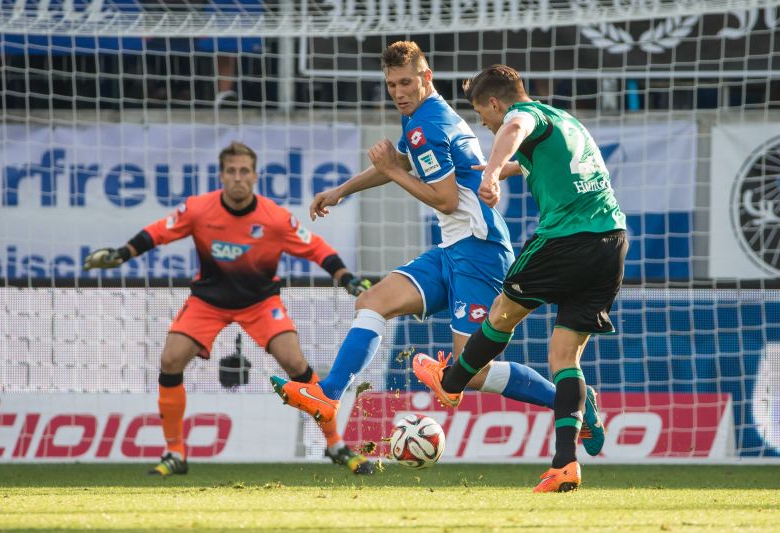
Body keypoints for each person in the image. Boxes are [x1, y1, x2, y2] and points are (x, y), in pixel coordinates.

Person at [269, 42, 605, 458]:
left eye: (406, 82)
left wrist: (392, 172)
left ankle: (572, 402)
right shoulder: (424, 116)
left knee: (473, 372)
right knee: (372, 302)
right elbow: (401, 163)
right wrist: (343, 190)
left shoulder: (426, 126)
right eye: (391, 84)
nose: (398, 92)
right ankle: (329, 394)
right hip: (452, 248)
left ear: (426, 77)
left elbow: (444, 200)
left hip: (480, 251)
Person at [83, 141, 374, 476]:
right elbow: (159, 232)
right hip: (208, 301)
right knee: (170, 360)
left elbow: (316, 249)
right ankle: (175, 452)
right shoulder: (198, 209)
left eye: (244, 171)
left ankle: (335, 444)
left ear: (255, 176)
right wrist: (121, 254)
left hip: (260, 302)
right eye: (231, 171)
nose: (238, 177)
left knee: (295, 363)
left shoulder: (275, 218)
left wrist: (347, 279)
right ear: (221, 176)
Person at [414, 64, 628, 492]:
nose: (484, 124)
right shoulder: (564, 119)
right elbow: (552, 161)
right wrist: (508, 167)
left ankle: (451, 382)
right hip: (612, 242)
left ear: (495, 103)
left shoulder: (523, 116)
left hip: (567, 238)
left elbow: (514, 127)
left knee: (502, 312)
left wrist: (492, 172)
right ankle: (565, 464)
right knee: (565, 358)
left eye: (482, 115)